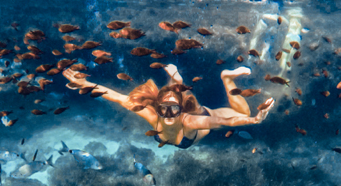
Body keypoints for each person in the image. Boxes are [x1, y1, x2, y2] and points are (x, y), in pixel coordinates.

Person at [63, 64, 274, 149]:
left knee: (242, 113)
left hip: (202, 114)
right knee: (175, 95)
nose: (169, 114)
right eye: (164, 109)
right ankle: (175, 81)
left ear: (181, 110)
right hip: (187, 114)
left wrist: (253, 120)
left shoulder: (190, 120)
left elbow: (224, 121)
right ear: (158, 108)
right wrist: (86, 84)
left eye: (174, 109)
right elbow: (117, 97)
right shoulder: (153, 117)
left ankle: (225, 77)